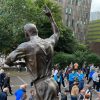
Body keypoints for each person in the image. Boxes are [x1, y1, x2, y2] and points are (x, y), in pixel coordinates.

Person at [5, 5, 59, 100]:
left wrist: (21, 61)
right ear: (37, 31)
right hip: (52, 83)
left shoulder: (26, 46)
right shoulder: (48, 42)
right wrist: (50, 17)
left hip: (42, 86)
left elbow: (8, 60)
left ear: (26, 33)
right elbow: (56, 33)